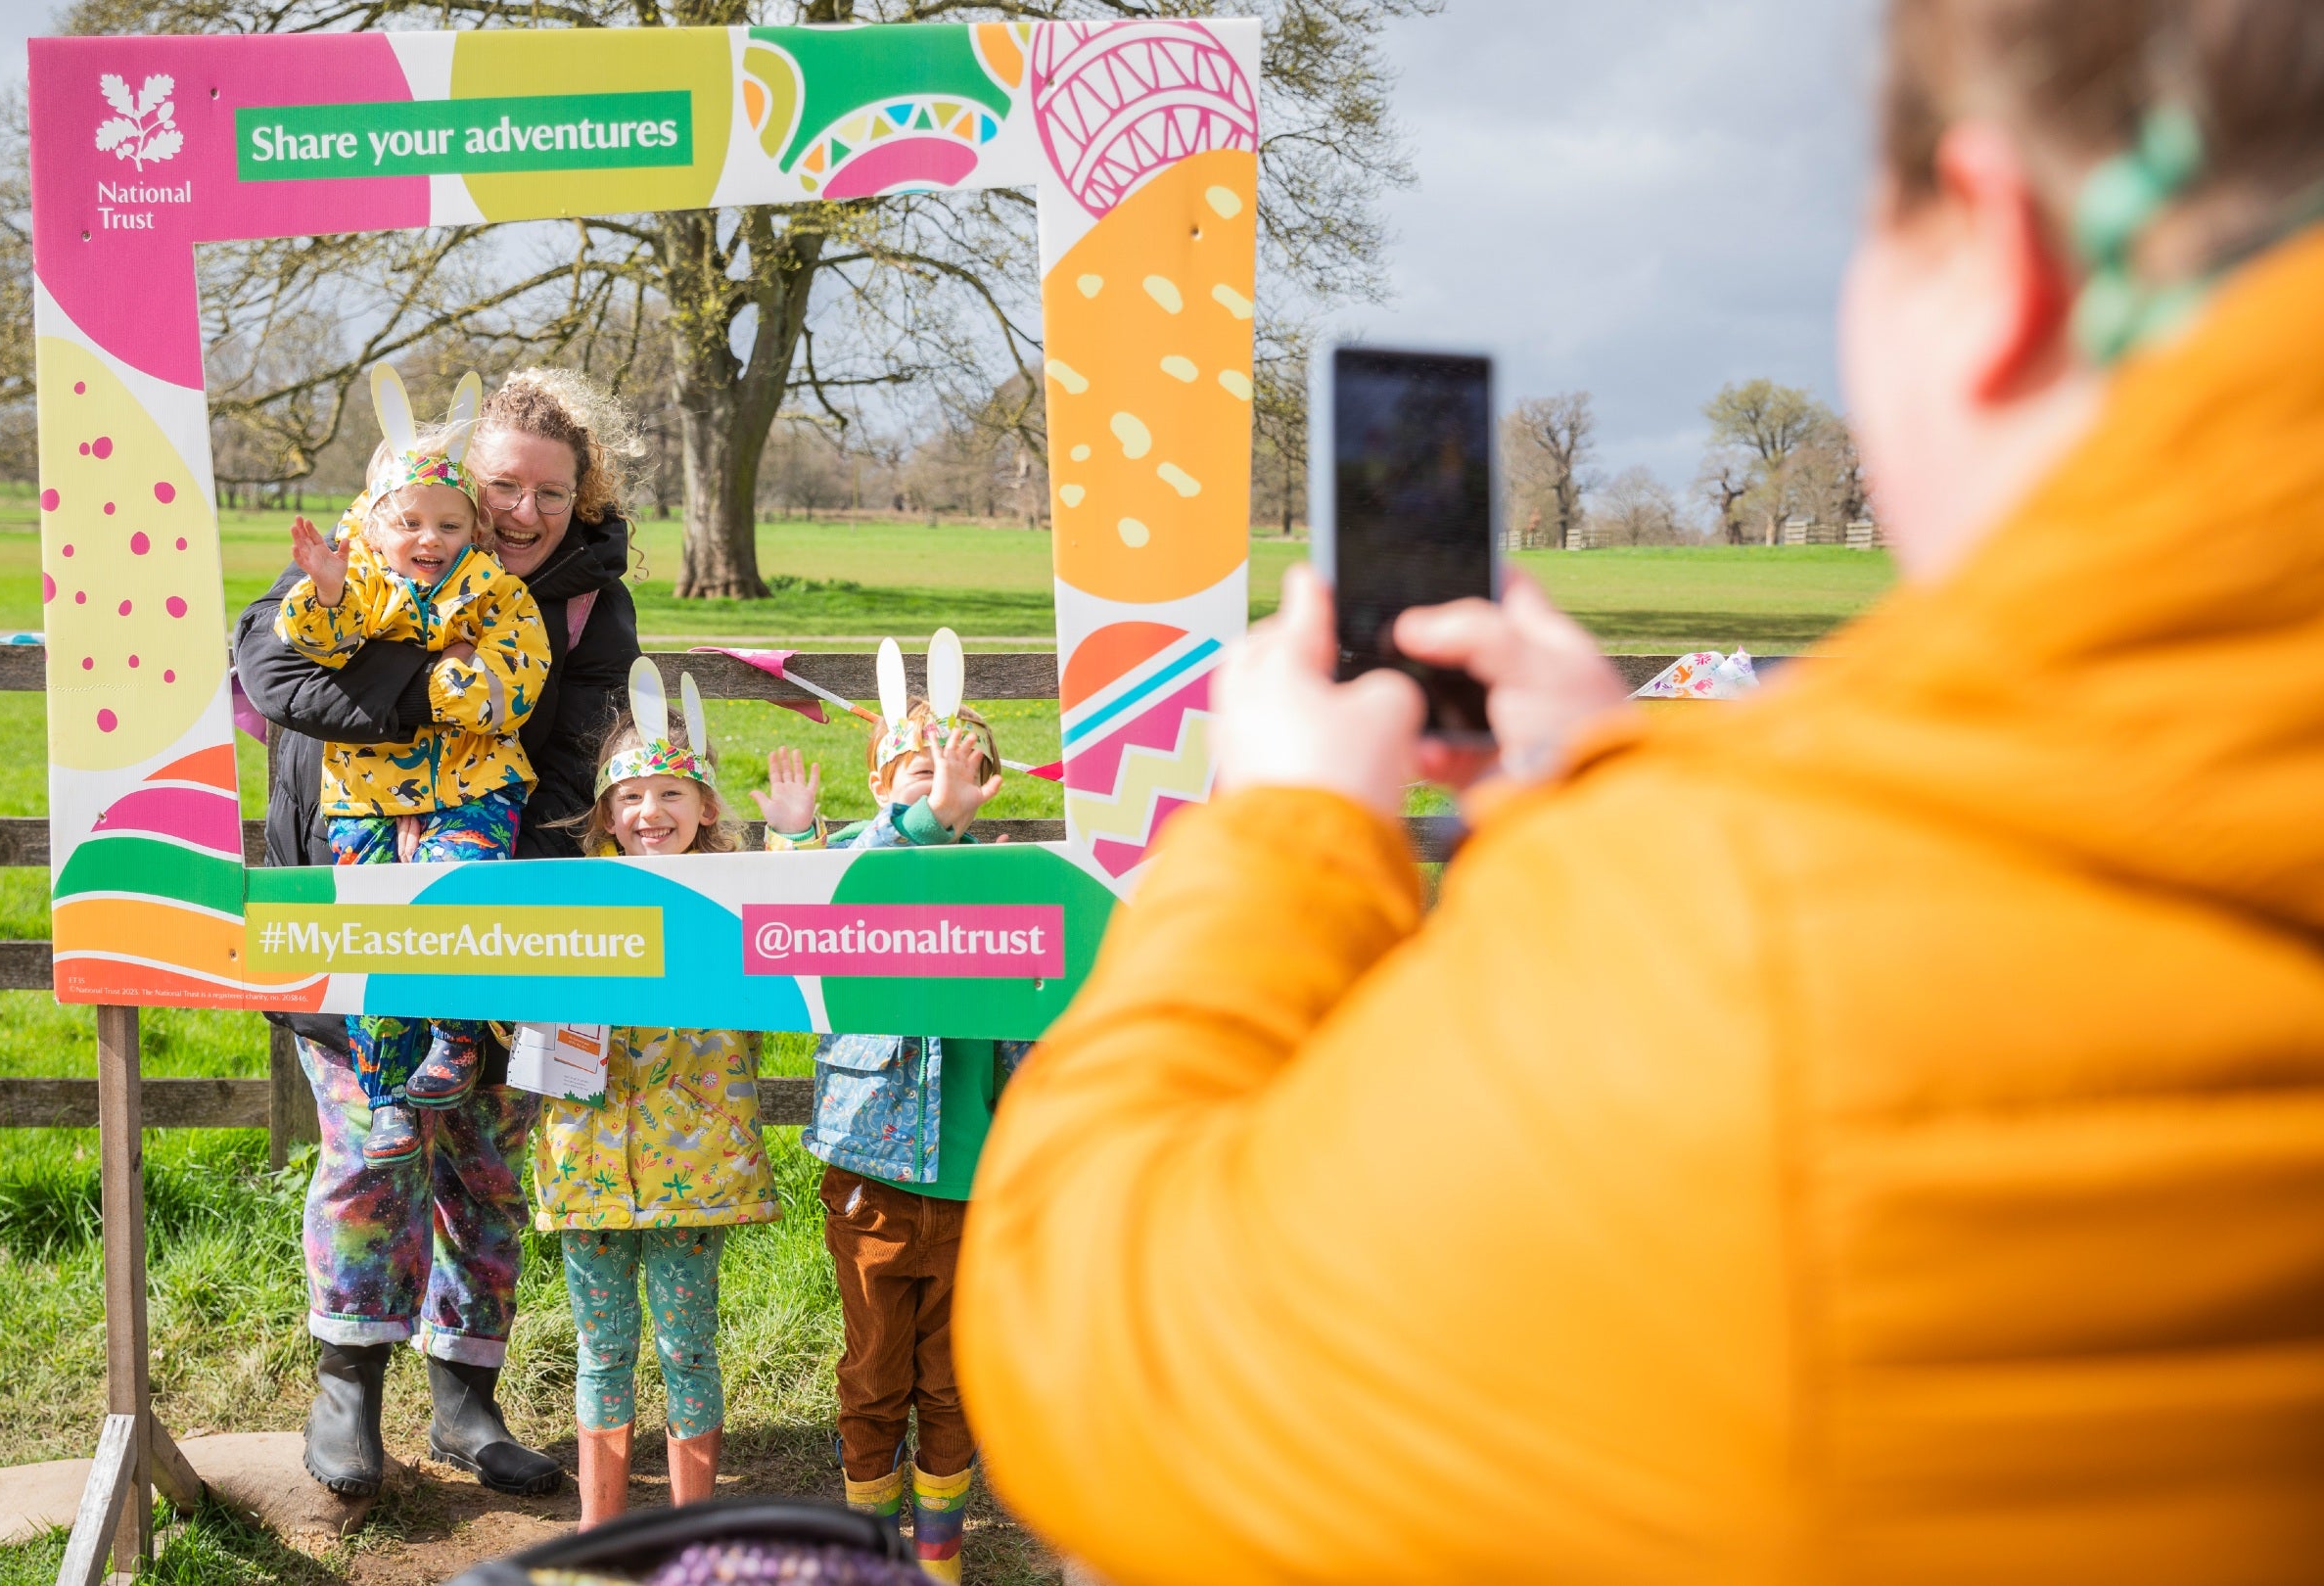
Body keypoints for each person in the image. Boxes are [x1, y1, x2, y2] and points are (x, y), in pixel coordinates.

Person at [956, 0, 2324, 1579]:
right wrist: (1613, 788)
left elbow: (1101, 1352)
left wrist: (1284, 839)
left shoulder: (1750, 992)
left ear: (2000, 253)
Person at [243, 368, 643, 1505]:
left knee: (484, 1167)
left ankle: (468, 1399)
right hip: (349, 893)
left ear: (582, 498)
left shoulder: (582, 608)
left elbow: (568, 769)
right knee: (373, 1149)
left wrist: (497, 934)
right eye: (505, 485)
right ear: (462, 482)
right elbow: (275, 671)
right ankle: (347, 1393)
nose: (523, 512)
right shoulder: (378, 544)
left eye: (551, 496)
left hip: (509, 915)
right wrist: (434, 698)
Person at [761, 660, 1021, 1586]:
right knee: (874, 1381)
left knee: (953, 1383)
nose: (947, 784)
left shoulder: (1009, 886)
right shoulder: (863, 863)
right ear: (881, 783)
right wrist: (807, 838)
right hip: (873, 1179)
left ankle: (939, 1555)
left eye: (967, 771)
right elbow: (807, 909)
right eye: (923, 770)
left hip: (977, 1185)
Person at [532, 666, 779, 1530]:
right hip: (588, 1168)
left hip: (695, 1170)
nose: (651, 812)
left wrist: (791, 833)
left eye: (672, 791)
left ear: (706, 804)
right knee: (602, 1352)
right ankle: (603, 1533)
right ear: (605, 813)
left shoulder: (743, 890)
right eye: (631, 795)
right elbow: (506, 1005)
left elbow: (816, 912)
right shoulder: (567, 902)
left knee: (687, 1347)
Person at [273, 429, 549, 1164]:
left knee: (460, 896)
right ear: (375, 523)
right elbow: (317, 651)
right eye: (410, 523)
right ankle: (387, 1095)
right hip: (364, 794)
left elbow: (511, 689)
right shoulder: (357, 582)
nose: (430, 539)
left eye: (449, 524)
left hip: (475, 786)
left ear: (475, 528)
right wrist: (328, 591)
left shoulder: (497, 592)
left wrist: (409, 679)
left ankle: (457, 1039)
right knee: (373, 935)